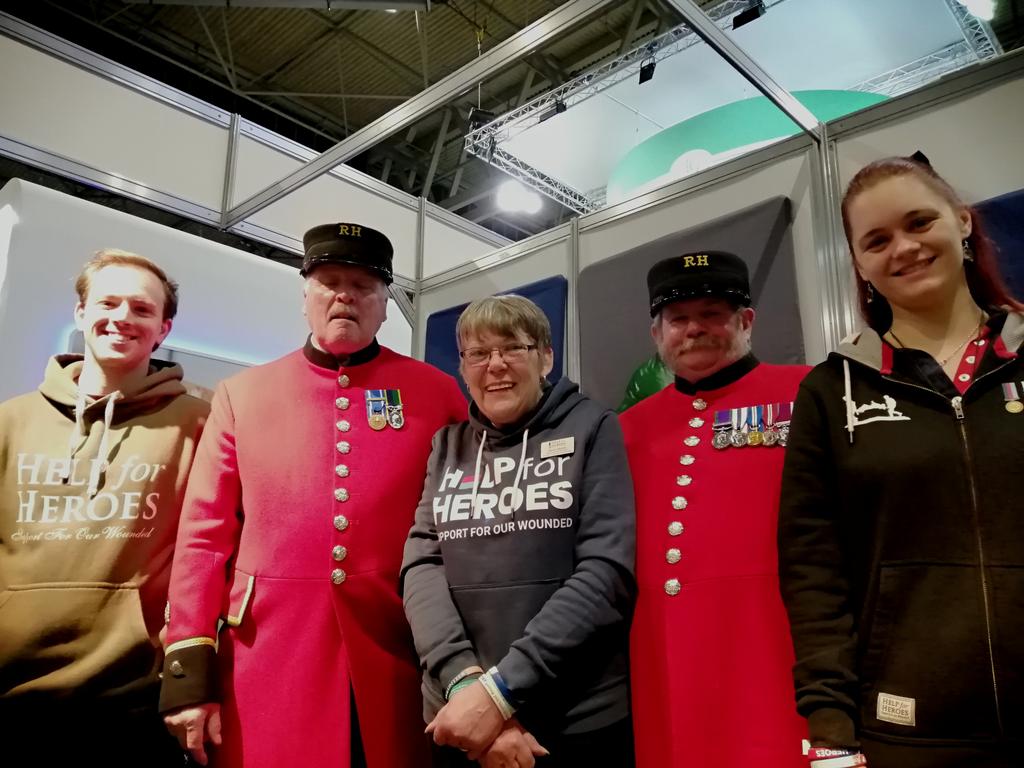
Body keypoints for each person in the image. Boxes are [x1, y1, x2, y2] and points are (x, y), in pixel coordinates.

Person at [159, 223, 467, 768]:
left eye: (363, 286)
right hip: (267, 653)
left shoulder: (435, 392)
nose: (345, 295)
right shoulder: (241, 395)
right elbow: (204, 535)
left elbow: (465, 522)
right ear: (305, 295)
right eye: (329, 281)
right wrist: (189, 671)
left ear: (385, 305)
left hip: (396, 649)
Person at [778, 154, 1024, 767]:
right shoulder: (829, 391)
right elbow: (814, 572)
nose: (904, 248)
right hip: (908, 731)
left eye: (920, 222)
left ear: (962, 221)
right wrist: (831, 730)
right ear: (859, 263)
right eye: (878, 240)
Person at [401, 295, 636, 768]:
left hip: (572, 717)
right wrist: (467, 684)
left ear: (546, 356)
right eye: (478, 354)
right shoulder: (447, 446)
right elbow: (421, 567)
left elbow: (605, 572)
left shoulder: (594, 427)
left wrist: (502, 692)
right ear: (464, 367)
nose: (496, 366)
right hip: (459, 713)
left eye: (512, 348)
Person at [0, 250, 209, 765]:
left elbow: (211, 549)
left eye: (141, 309)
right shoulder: (11, 421)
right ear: (80, 314)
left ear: (163, 328)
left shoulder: (198, 423)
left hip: (133, 706)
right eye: (107, 303)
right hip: (9, 697)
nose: (121, 318)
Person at [620, 251, 810, 768]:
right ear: (657, 334)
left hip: (776, 647)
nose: (694, 330)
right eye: (678, 319)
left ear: (746, 322)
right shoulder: (627, 429)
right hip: (666, 659)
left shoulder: (806, 392)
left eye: (712, 314)